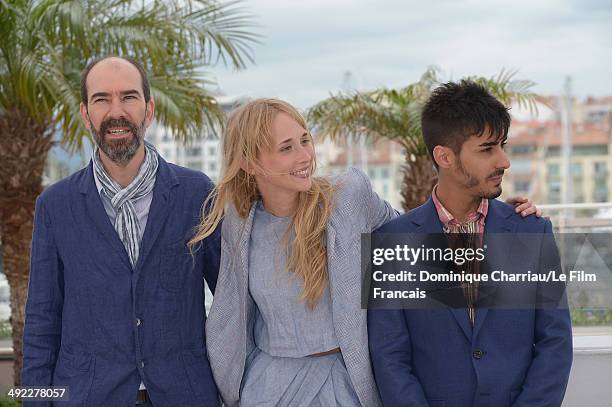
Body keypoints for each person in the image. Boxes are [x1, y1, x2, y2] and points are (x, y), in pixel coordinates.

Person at [190, 98, 541, 406]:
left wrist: (498, 219)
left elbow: (416, 233)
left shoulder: (348, 198)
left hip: (347, 386)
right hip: (268, 388)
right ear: (250, 163)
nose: (304, 156)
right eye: (286, 148)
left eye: (305, 140)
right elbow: (233, 313)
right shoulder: (239, 221)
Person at [22, 56, 221, 407]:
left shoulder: (197, 193)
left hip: (185, 395)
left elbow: (229, 301)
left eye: (129, 97)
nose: (117, 111)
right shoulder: (55, 205)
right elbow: (41, 320)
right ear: (86, 115)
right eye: (102, 99)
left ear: (149, 109)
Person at [368, 81, 573, 407]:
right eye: (487, 149)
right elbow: (389, 354)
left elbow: (555, 342)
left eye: (502, 145)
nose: (503, 161)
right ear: (444, 156)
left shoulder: (532, 232)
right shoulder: (391, 242)